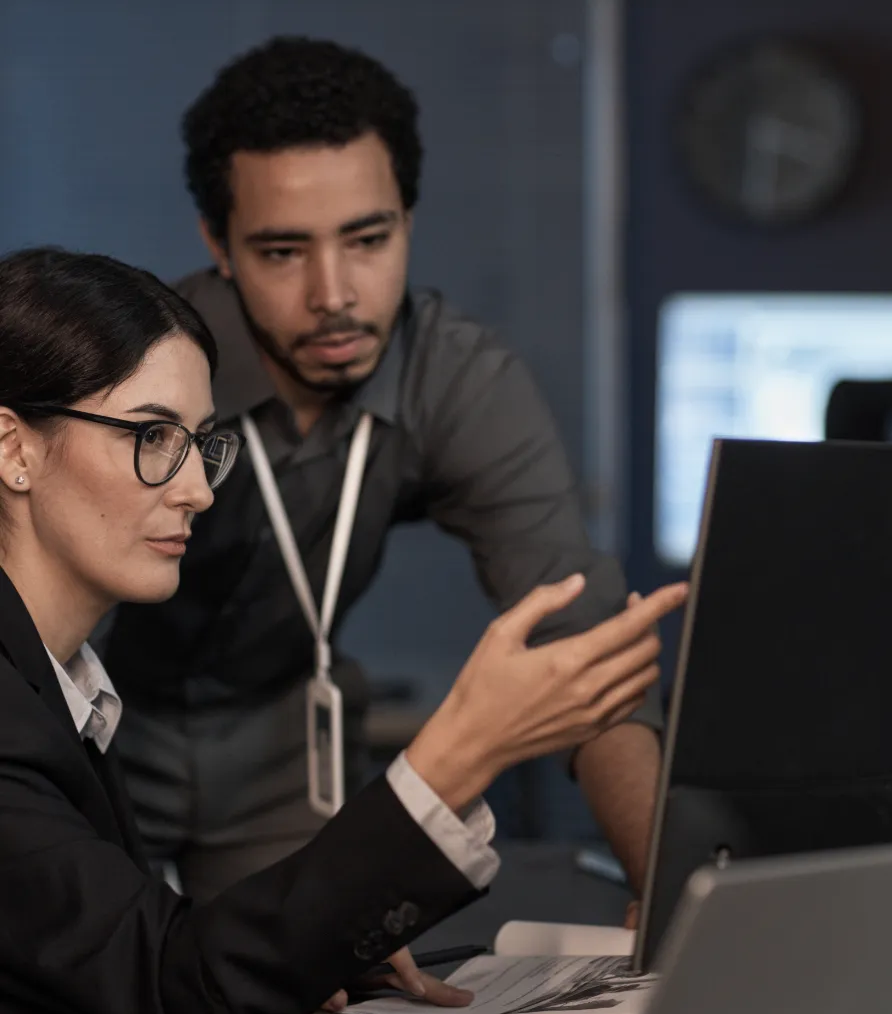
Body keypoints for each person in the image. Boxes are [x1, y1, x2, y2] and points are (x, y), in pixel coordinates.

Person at [0, 247, 687, 1014]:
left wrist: (312, 950)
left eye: (200, 443)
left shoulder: (57, 687)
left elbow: (104, 958)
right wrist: (463, 749)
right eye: (152, 436)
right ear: (14, 450)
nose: (198, 491)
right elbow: (174, 991)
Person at [101, 35, 666, 905]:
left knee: (318, 1000)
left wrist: (672, 898)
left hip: (285, 737)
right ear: (219, 242)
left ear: (408, 217)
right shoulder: (144, 364)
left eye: (368, 238)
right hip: (94, 721)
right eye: (284, 252)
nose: (334, 293)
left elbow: (582, 650)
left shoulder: (459, 378)